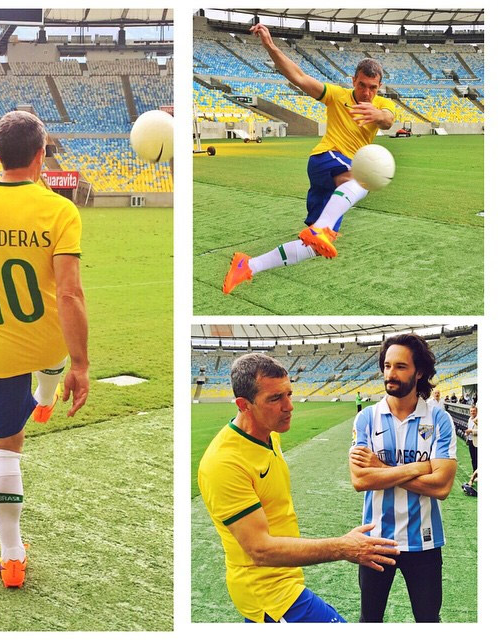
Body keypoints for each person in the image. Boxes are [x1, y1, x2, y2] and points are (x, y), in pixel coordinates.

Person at [0, 110, 89, 588]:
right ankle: (46, 402)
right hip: (50, 342)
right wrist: (83, 365)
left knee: (5, 448)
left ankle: (11, 557)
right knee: (51, 363)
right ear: (41, 153)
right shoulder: (59, 209)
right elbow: (69, 294)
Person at [198, 353, 400, 623]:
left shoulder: (269, 435)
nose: (289, 406)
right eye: (275, 399)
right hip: (269, 595)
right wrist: (343, 547)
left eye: (289, 394)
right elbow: (260, 549)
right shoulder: (224, 463)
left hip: (283, 582)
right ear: (243, 405)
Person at [222, 23, 396, 294]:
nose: (366, 93)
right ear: (353, 81)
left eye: (372, 88)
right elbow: (300, 77)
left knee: (312, 248)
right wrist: (270, 47)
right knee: (363, 180)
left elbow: (388, 120)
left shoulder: (383, 105)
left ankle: (248, 266)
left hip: (340, 180)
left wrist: (379, 115)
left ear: (379, 86)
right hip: (326, 159)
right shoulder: (338, 97)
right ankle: (322, 228)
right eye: (362, 85)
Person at [349, 334, 457, 622]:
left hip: (424, 542)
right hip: (376, 541)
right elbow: (360, 480)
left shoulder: (438, 419)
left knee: (427, 620)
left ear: (419, 371)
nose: (390, 374)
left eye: (400, 366)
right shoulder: (366, 419)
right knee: (369, 620)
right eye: (386, 366)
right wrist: (420, 468)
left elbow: (442, 486)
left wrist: (381, 468)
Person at [464, 405, 478, 473]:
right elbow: (469, 428)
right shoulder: (469, 419)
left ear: (477, 412)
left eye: (474, 411)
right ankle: (474, 473)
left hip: (476, 441)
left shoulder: (478, 419)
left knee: (477, 458)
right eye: (471, 411)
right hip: (470, 440)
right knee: (473, 458)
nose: (472, 412)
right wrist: (467, 433)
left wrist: (471, 431)